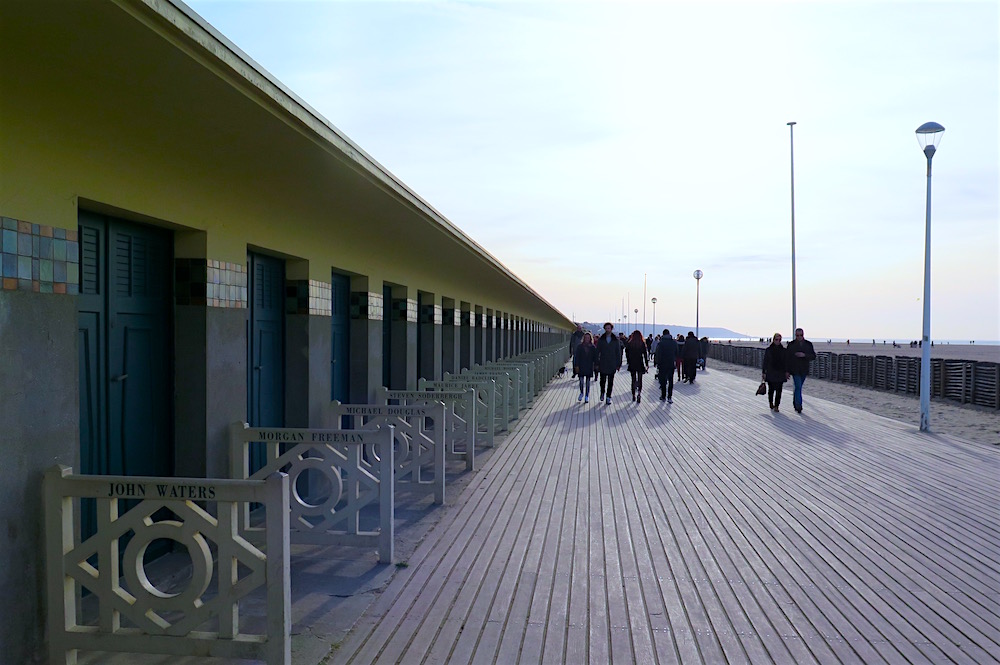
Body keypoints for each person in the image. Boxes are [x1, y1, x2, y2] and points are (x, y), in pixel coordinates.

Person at [786, 327, 817, 413]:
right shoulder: (791, 345)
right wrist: (787, 371)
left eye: (801, 335)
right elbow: (787, 358)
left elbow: (813, 356)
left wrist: (804, 355)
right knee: (798, 386)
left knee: (798, 387)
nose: (799, 337)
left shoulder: (808, 344)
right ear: (795, 335)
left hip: (804, 369)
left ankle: (795, 401)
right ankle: (799, 405)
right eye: (797, 335)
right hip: (795, 369)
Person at [595, 322, 622, 405]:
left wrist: (618, 364)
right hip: (603, 362)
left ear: (611, 329)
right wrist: (596, 362)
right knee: (602, 380)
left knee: (610, 381)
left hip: (612, 363)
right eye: (606, 328)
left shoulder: (615, 340)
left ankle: (608, 396)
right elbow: (597, 351)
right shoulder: (601, 339)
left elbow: (618, 352)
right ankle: (602, 392)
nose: (607, 330)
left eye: (609, 328)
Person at [762, 332, 789, 412]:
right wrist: (764, 372)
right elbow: (765, 362)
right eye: (776, 339)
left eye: (779, 340)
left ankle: (777, 405)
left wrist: (787, 371)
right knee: (771, 389)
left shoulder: (784, 350)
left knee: (779, 390)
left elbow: (786, 362)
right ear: (773, 340)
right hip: (771, 372)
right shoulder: (769, 350)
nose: (778, 341)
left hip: (780, 372)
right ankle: (771, 402)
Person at [654, 328, 678, 403]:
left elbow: (657, 353)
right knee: (670, 380)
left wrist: (656, 362)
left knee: (663, 380)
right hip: (671, 363)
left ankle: (663, 396)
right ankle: (669, 397)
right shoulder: (674, 342)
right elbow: (677, 352)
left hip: (662, 364)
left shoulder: (661, 343)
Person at [625, 330, 649, 403]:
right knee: (640, 379)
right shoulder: (642, 343)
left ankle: (633, 395)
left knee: (633, 380)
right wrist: (647, 364)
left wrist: (628, 361)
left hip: (632, 363)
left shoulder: (630, 343)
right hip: (640, 363)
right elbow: (645, 354)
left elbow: (627, 353)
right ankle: (639, 393)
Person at [573, 332, 597, 403]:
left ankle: (587, 395)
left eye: (588, 338)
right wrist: (576, 365)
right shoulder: (580, 346)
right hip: (581, 365)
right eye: (585, 338)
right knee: (581, 381)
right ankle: (581, 393)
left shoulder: (593, 347)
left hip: (589, 366)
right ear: (584, 338)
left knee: (588, 382)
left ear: (590, 338)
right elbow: (577, 357)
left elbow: (595, 357)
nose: (587, 339)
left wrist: (596, 365)